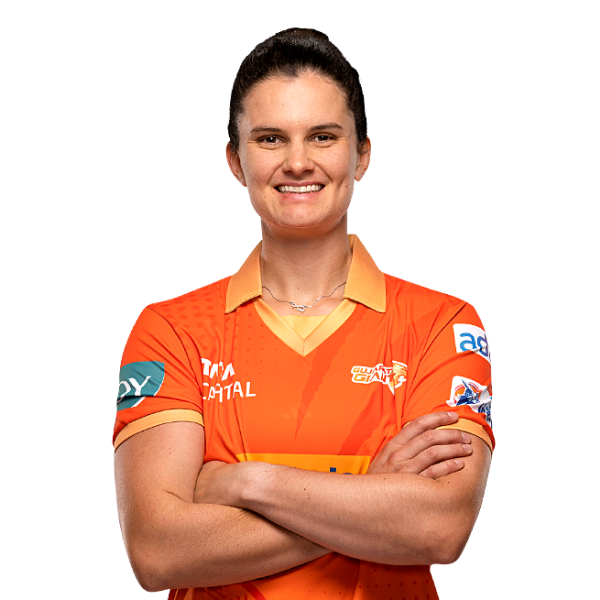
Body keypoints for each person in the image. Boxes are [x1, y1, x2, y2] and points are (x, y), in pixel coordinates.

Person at [113, 27, 494, 599]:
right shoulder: (171, 330)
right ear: (235, 160)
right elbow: (158, 553)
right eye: (270, 139)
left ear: (362, 154)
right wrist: (371, 496)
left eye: (323, 136)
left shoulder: (442, 324)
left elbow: (439, 529)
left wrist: (245, 482)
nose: (297, 162)